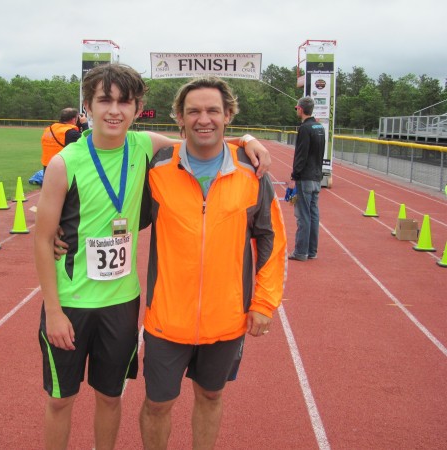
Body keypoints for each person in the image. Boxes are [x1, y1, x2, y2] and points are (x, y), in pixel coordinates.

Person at [35, 63, 271, 450]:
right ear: (88, 106)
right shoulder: (65, 163)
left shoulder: (145, 146)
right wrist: (54, 310)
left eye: (123, 102)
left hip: (122, 304)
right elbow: (43, 239)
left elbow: (202, 139)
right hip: (71, 300)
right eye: (104, 100)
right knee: (61, 400)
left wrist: (247, 140)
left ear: (137, 107)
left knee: (111, 397)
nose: (114, 110)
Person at [138, 76, 287, 450]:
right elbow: (120, 216)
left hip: (226, 318)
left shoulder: (252, 173)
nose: (203, 119)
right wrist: (65, 232)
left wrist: (264, 304)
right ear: (179, 117)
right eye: (194, 111)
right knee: (158, 404)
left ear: (228, 115)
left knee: (211, 397)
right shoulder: (157, 167)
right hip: (167, 318)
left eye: (212, 111)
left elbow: (271, 241)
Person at [288, 96, 326, 261]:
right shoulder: (319, 126)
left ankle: (301, 251)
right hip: (317, 176)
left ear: (300, 109)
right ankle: (312, 250)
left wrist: (294, 176)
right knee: (313, 214)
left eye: (297, 108)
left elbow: (301, 155)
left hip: (305, 178)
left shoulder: (305, 128)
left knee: (303, 215)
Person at [40, 107, 89, 172]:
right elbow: (88, 142)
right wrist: (85, 125)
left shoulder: (49, 129)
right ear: (74, 119)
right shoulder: (70, 133)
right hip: (62, 167)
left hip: (47, 166)